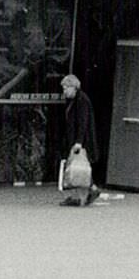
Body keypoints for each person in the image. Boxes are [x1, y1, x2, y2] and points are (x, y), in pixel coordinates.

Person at [56, 72, 100, 204]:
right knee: (78, 166)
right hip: (75, 139)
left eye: (65, 88)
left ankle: (82, 194)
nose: (64, 91)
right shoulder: (73, 100)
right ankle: (84, 193)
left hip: (82, 141)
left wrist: (79, 142)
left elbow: (83, 122)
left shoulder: (81, 100)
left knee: (78, 166)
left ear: (73, 87)